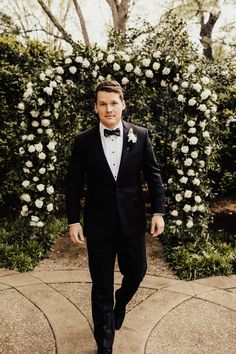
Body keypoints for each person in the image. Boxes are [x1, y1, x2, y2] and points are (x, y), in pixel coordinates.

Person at [65, 80, 165, 354]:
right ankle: (105, 345)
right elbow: (73, 183)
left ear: (123, 104)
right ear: (95, 107)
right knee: (101, 287)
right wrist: (73, 220)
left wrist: (158, 211)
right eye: (103, 104)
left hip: (132, 221)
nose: (109, 109)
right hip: (98, 225)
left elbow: (153, 175)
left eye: (114, 103)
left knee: (137, 272)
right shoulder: (83, 141)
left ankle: (121, 303)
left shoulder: (140, 135)